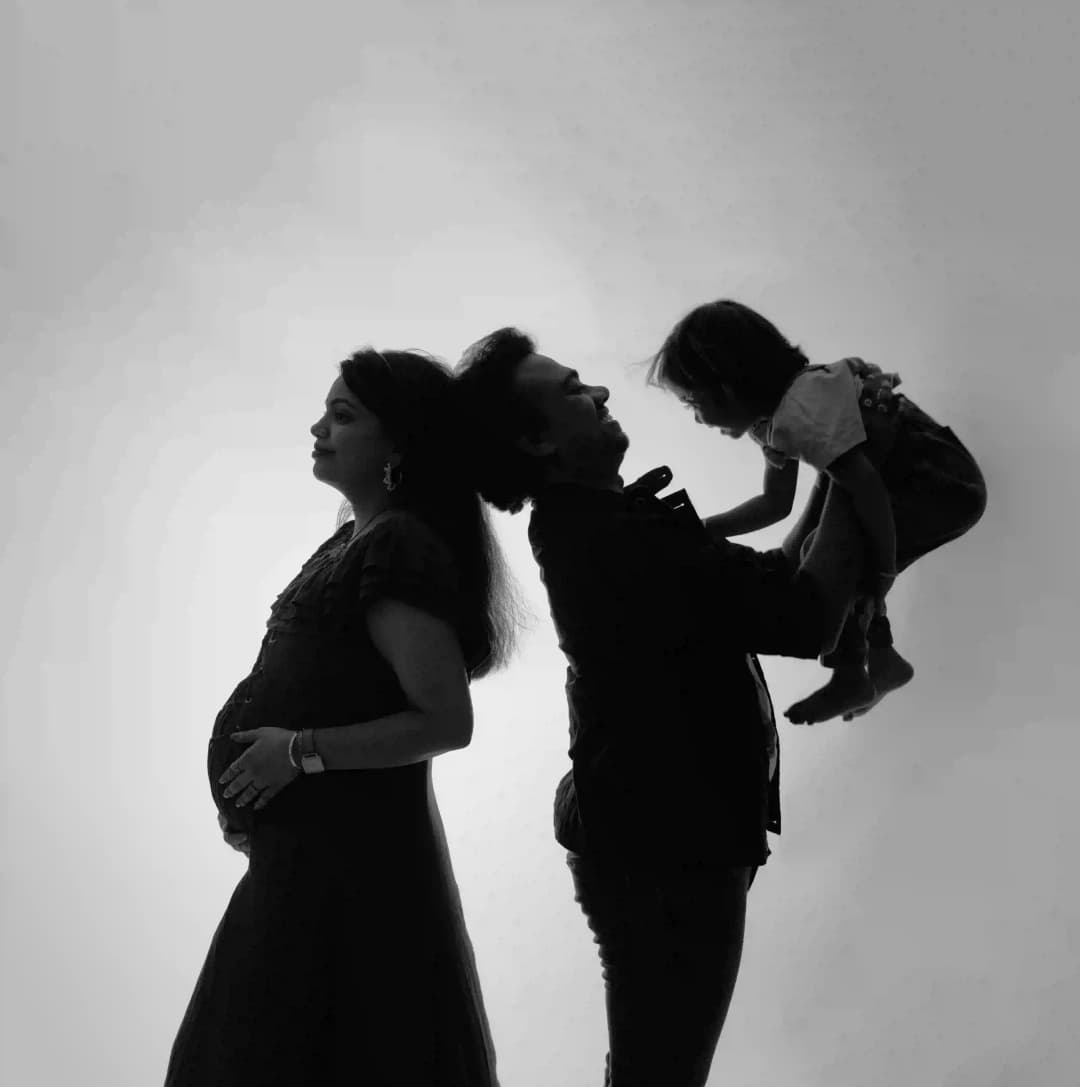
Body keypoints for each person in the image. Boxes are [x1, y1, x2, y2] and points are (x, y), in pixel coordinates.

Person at [451, 328, 857, 1087]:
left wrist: (840, 464)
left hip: (661, 842)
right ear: (537, 439)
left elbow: (776, 586)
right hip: (664, 852)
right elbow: (805, 616)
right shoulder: (605, 536)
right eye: (573, 390)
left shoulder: (606, 525)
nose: (599, 392)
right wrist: (850, 457)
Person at [166, 347, 517, 1087]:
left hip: (352, 886)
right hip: (295, 867)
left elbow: (444, 720)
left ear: (399, 445)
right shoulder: (347, 542)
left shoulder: (397, 544)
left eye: (344, 414)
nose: (319, 426)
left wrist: (297, 752)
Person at [649, 299, 988, 724]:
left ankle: (850, 674)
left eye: (693, 402)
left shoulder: (804, 414)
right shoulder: (773, 419)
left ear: (727, 385)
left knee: (836, 552)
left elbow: (869, 495)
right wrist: (706, 528)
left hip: (941, 484)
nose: (697, 419)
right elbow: (775, 504)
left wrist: (883, 570)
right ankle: (882, 661)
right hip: (904, 479)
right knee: (818, 546)